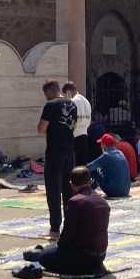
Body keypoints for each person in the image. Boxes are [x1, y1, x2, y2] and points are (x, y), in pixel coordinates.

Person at [23, 166, 111, 276]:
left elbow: (67, 234)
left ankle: (83, 268)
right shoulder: (103, 201)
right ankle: (91, 265)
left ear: (71, 184)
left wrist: (58, 249)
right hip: (101, 255)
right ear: (90, 181)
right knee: (50, 252)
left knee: (44, 258)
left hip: (83, 255)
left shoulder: (75, 202)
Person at [37, 78, 77, 238]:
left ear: (50, 91)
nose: (46, 97)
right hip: (70, 151)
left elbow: (41, 129)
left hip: (55, 152)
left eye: (45, 94)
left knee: (53, 190)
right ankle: (69, 227)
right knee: (68, 189)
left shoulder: (51, 105)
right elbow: (73, 127)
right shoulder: (72, 104)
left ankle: (54, 229)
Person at [62, 81, 92, 167]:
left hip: (75, 136)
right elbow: (90, 119)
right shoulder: (86, 101)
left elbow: (70, 121)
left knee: (74, 165)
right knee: (82, 164)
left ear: (68, 92)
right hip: (85, 134)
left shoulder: (72, 102)